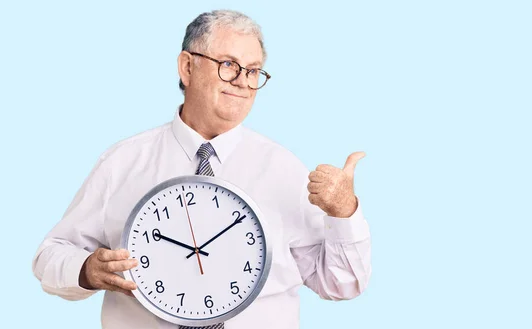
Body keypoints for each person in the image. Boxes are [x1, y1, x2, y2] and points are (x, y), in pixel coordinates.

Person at [32, 9, 372, 329]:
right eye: (229, 64)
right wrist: (86, 270)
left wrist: (344, 212)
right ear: (187, 68)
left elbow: (342, 284)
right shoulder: (122, 163)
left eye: (253, 71)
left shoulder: (286, 169)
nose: (242, 81)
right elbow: (50, 256)